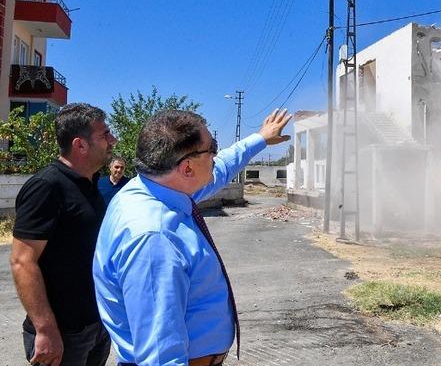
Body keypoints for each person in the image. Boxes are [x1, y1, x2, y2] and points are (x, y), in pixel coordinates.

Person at [93, 108, 291, 366]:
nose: (216, 156)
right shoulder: (154, 239)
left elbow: (220, 169)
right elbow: (160, 355)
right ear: (187, 167)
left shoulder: (154, 189)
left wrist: (261, 138)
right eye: (212, 149)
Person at [9, 103, 117, 366]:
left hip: (96, 324)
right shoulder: (47, 186)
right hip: (63, 332)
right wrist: (45, 330)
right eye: (105, 135)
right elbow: (22, 261)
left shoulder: (90, 182)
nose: (112, 140)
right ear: (80, 145)